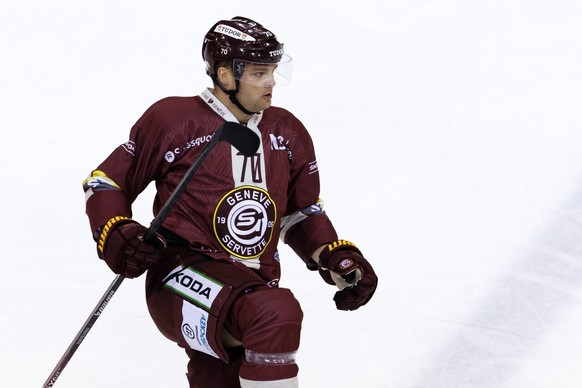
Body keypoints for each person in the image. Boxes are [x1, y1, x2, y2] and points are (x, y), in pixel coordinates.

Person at [82, 16, 378, 388]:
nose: (271, 82)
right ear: (225, 77)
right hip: (178, 274)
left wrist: (333, 255)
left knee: (223, 376)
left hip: (252, 282)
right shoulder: (175, 120)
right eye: (258, 73)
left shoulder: (286, 130)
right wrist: (117, 232)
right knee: (273, 314)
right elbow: (106, 181)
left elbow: (299, 214)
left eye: (272, 71)